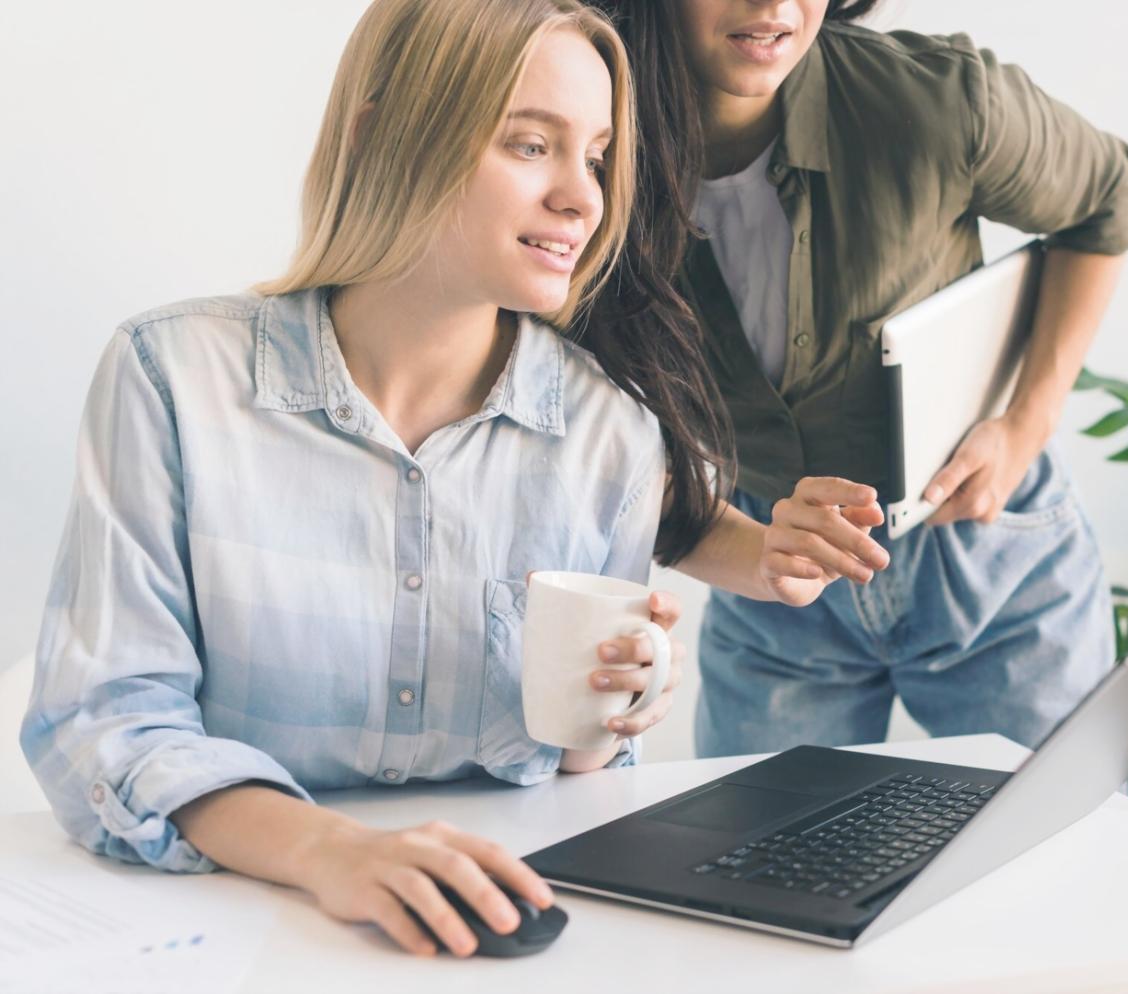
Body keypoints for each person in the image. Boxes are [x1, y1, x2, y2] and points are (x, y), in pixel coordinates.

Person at [21, 0, 885, 959]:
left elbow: (575, 771)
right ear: (387, 133)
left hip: (506, 939)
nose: (583, 199)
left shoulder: (611, 431)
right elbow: (106, 725)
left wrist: (612, 713)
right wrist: (331, 851)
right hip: (214, 935)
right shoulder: (172, 378)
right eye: (529, 146)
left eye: (596, 157)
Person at [592, 0, 1128, 757]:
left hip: (987, 552)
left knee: (1053, 858)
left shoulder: (937, 100)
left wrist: (1026, 425)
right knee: (761, 866)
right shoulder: (585, 146)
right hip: (769, 569)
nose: (774, 7)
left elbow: (1107, 199)